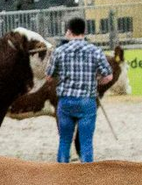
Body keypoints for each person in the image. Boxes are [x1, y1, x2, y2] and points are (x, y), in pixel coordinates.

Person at [45, 17, 114, 163]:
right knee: (86, 142)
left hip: (65, 102)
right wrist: (97, 81)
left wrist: (61, 74)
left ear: (69, 32)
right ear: (84, 31)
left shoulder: (59, 51)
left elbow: (48, 77)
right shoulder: (95, 51)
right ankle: (86, 176)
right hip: (87, 101)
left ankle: (62, 173)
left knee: (64, 141)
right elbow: (108, 77)